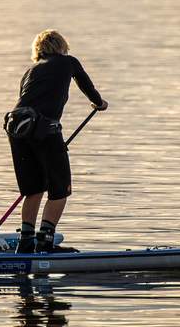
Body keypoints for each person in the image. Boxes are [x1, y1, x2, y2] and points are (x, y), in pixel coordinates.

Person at [7, 29, 107, 253]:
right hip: (44, 129)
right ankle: (45, 242)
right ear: (61, 47)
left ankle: (25, 242)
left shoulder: (30, 70)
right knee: (60, 189)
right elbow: (86, 86)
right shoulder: (68, 62)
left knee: (33, 190)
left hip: (16, 129)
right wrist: (99, 103)